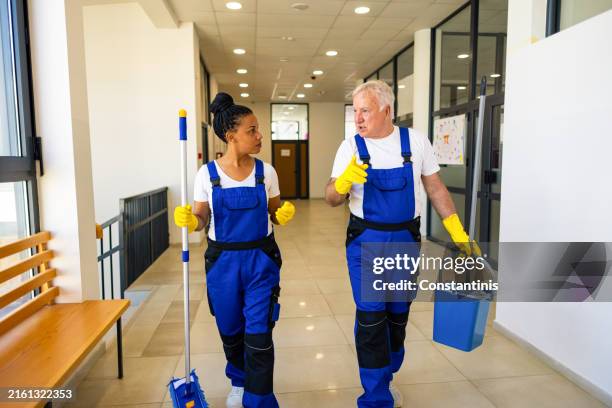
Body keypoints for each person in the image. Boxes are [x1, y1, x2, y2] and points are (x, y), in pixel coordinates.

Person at [325, 80, 478, 408]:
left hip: (405, 241)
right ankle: (376, 396)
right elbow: (331, 198)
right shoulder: (350, 147)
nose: (359, 119)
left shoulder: (415, 141)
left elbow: (436, 189)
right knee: (370, 316)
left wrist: (457, 232)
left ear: (386, 110)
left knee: (397, 312)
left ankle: (387, 369)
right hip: (366, 242)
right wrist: (343, 183)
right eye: (356, 112)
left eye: (365, 110)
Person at [174, 92, 295, 408]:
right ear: (231, 137)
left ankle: (260, 397)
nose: (259, 136)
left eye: (258, 129)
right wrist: (191, 221)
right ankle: (240, 382)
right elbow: (202, 220)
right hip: (223, 264)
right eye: (252, 130)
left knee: (259, 332)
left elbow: (274, 212)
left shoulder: (265, 172)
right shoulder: (207, 175)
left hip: (260, 262)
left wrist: (281, 215)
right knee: (230, 329)